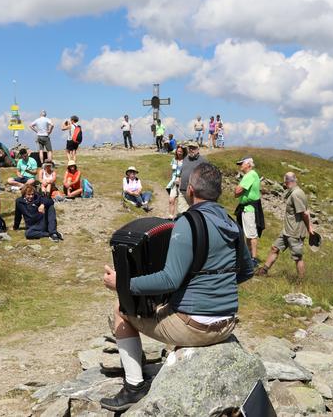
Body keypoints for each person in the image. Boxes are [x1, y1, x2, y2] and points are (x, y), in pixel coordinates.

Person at [100, 163, 254, 411]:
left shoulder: (187, 222)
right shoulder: (231, 223)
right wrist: (216, 286)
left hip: (195, 328)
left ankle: (134, 386)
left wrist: (122, 284)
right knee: (163, 306)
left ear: (190, 190)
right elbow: (246, 271)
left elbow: (169, 280)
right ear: (218, 192)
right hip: (227, 324)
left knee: (120, 308)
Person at [256, 172, 314, 279]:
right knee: (275, 248)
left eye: (284, 182)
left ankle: (301, 281)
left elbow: (305, 214)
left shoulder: (296, 194)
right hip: (287, 230)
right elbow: (307, 211)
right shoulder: (296, 192)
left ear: (287, 182)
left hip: (295, 232)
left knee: (297, 257)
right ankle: (263, 271)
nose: (284, 184)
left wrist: (309, 228)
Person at [234, 157, 263, 265]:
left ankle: (253, 259)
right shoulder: (251, 175)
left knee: (251, 234)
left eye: (242, 163)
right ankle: (249, 256)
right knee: (248, 233)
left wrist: (237, 190)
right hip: (247, 208)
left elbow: (237, 192)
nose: (240, 165)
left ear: (249, 165)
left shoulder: (249, 175)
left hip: (249, 208)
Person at [178, 141, 208, 214]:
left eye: (193, 148)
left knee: (193, 213)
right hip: (182, 190)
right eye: (190, 148)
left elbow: (206, 177)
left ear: (198, 149)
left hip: (194, 192)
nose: (191, 149)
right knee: (181, 213)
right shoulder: (185, 159)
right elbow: (182, 172)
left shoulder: (203, 161)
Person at [166, 144, 186, 219]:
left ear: (183, 152)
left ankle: (181, 218)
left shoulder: (186, 161)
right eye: (178, 151)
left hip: (182, 182)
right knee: (171, 200)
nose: (179, 153)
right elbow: (173, 171)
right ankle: (171, 216)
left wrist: (180, 178)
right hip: (174, 182)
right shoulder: (174, 159)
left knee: (181, 201)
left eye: (181, 151)